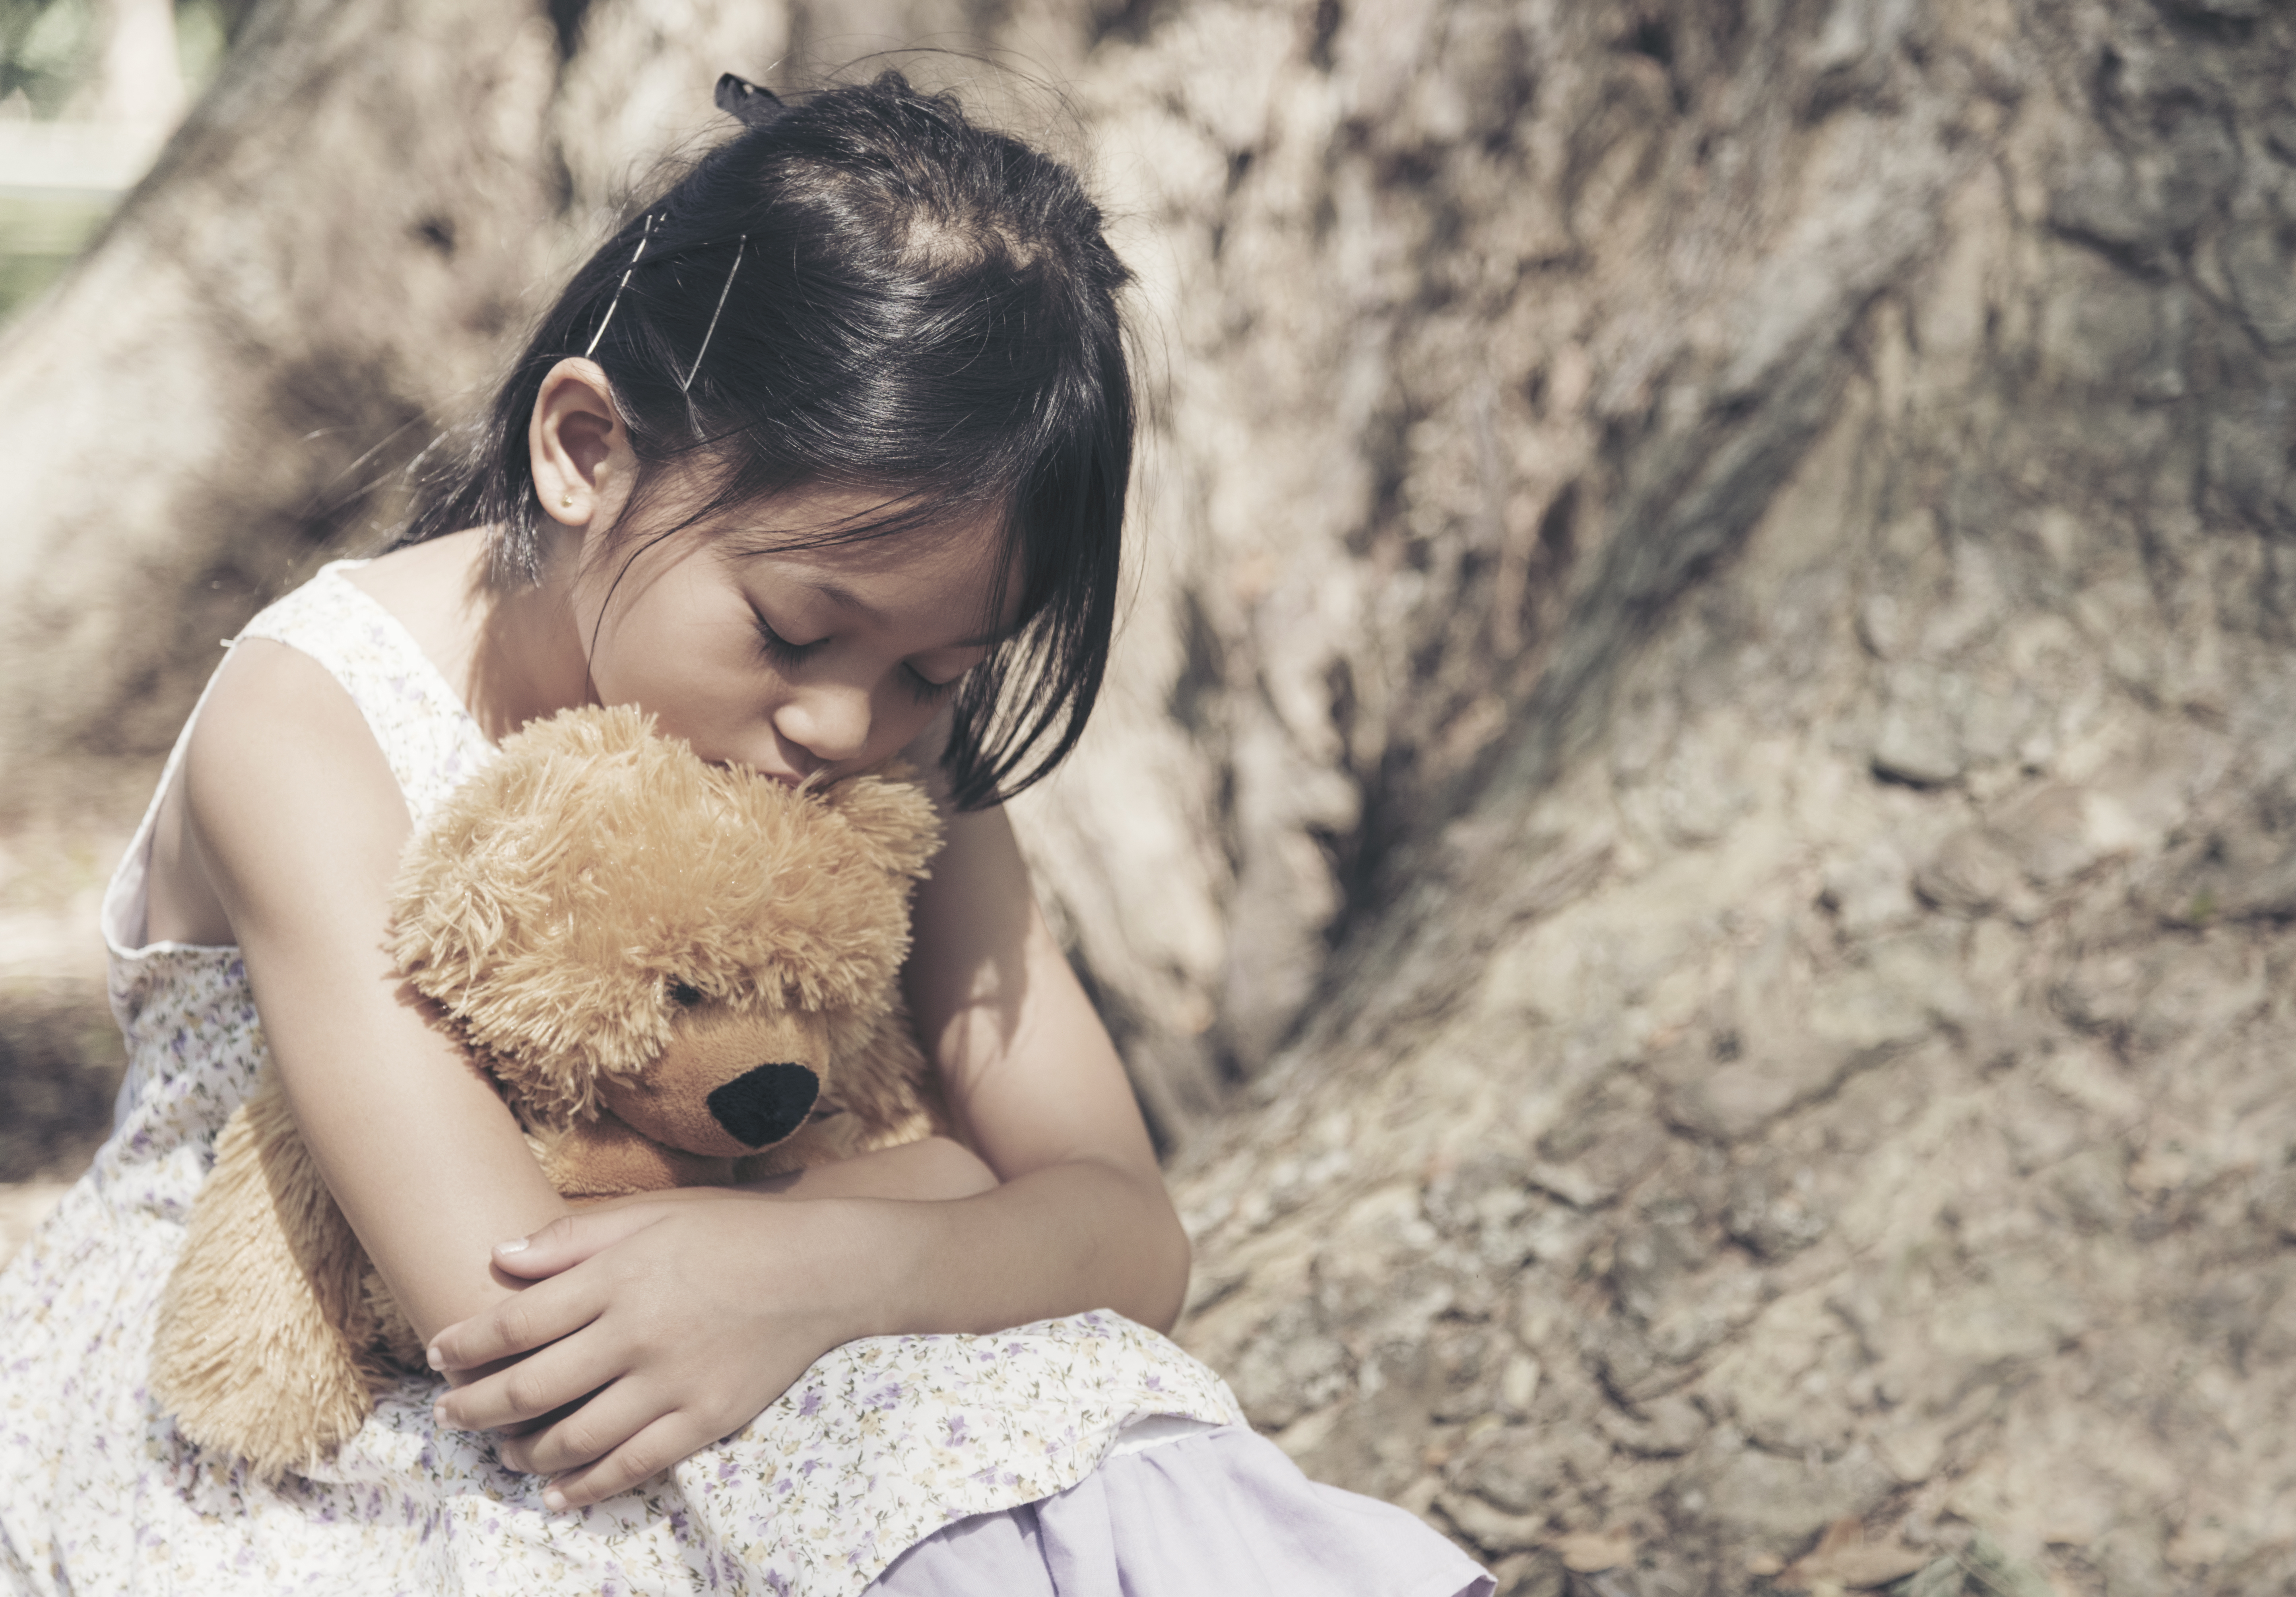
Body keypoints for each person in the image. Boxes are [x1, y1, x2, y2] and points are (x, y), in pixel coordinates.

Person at [0, 70, 1492, 1596]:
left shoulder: (900, 757)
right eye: (793, 632)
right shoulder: (311, 721)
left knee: (1104, 1434)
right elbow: (507, 1303)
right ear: (586, 452)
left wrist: (831, 1266)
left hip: (734, 1349)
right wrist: (948, 1192)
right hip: (320, 1430)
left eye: (933, 672)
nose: (851, 728)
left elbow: (1125, 1227)